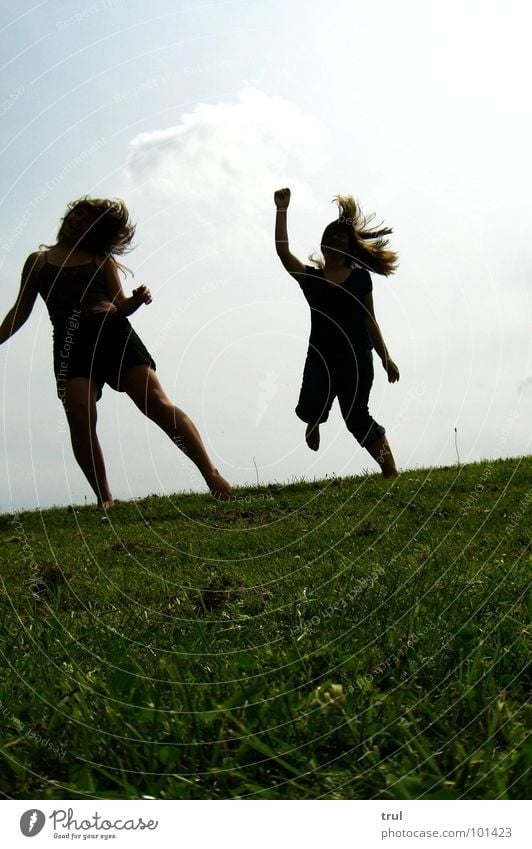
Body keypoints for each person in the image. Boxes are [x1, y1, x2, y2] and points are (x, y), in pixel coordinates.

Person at [0, 197, 231, 506]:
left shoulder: (100, 258)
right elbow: (20, 311)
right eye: (76, 214)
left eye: (86, 220)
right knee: (80, 415)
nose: (77, 220)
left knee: (157, 404)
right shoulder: (38, 261)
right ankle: (105, 498)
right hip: (71, 345)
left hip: (112, 333)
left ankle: (212, 476)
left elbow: (120, 304)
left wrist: (136, 300)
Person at [274, 187, 399, 476]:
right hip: (321, 355)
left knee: (356, 416)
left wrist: (386, 358)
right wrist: (282, 211)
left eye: (340, 235)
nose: (333, 237)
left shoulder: (360, 278)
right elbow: (283, 253)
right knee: (310, 402)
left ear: (349, 246)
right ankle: (315, 419)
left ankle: (390, 471)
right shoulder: (311, 279)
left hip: (356, 354)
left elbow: (370, 320)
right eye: (329, 234)